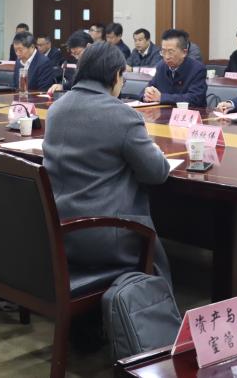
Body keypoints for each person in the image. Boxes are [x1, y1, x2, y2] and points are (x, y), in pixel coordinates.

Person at [44, 42, 172, 285]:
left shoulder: (56, 108)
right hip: (102, 235)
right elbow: (156, 173)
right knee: (157, 257)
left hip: (56, 227)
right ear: (116, 76)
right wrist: (154, 149)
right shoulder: (122, 115)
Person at [142, 29, 207, 107]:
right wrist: (147, 95)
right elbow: (144, 92)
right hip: (164, 112)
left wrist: (161, 97)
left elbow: (195, 98)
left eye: (170, 52)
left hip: (190, 113)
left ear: (184, 52)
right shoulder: (161, 66)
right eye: (163, 51)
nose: (166, 57)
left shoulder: (197, 69)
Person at [48, 30, 92, 95]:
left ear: (88, 46)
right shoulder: (82, 62)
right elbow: (76, 83)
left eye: (78, 53)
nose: (76, 58)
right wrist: (62, 87)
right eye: (73, 54)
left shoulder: (100, 62)